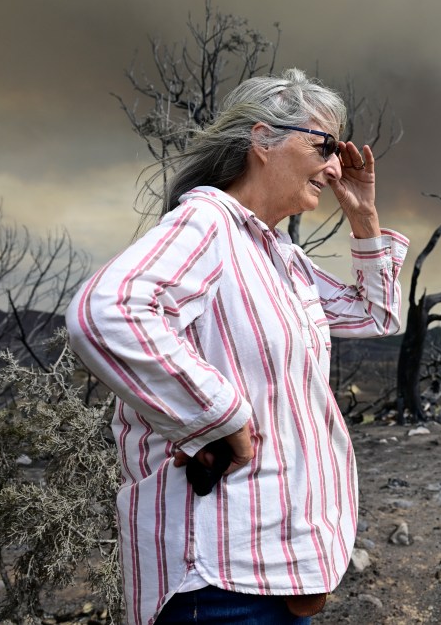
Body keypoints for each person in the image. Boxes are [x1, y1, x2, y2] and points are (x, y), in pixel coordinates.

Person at [66, 69, 408, 624]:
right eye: (324, 146)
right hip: (218, 579)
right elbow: (106, 311)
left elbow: (375, 314)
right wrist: (220, 415)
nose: (334, 167)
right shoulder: (208, 223)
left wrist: (363, 214)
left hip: (273, 568)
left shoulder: (281, 256)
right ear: (263, 140)